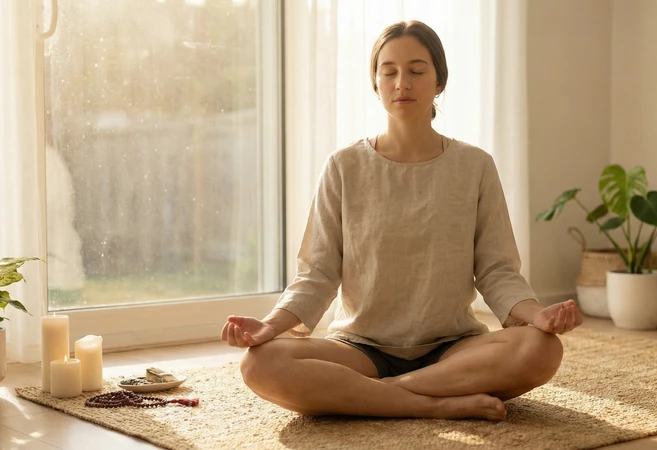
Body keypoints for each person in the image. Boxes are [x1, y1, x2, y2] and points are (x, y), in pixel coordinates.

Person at [220, 20, 582, 422]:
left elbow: (496, 269)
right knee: (260, 364)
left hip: (454, 347)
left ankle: (378, 396)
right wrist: (269, 327)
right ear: (375, 83)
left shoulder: (475, 165)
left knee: (542, 349)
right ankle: (437, 404)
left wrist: (538, 316)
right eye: (388, 71)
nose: (401, 83)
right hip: (358, 349)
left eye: (416, 70)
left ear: (439, 80)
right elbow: (318, 272)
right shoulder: (343, 166)